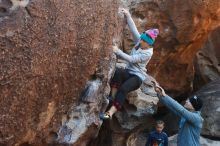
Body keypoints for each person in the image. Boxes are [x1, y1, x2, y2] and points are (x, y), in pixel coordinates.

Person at [99, 8, 159, 120]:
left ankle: (109, 114)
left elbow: (131, 59)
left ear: (148, 43)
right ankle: (112, 98)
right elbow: (133, 29)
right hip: (128, 72)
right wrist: (128, 15)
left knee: (124, 89)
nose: (140, 41)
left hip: (137, 77)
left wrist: (117, 51)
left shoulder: (147, 53)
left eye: (143, 41)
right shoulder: (141, 42)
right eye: (141, 39)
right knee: (117, 72)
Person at [152, 81, 204, 146]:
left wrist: (165, 95)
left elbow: (181, 110)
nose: (187, 101)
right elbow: (173, 107)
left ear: (194, 107)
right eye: (188, 100)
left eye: (190, 102)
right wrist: (159, 93)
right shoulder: (186, 115)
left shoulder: (196, 118)